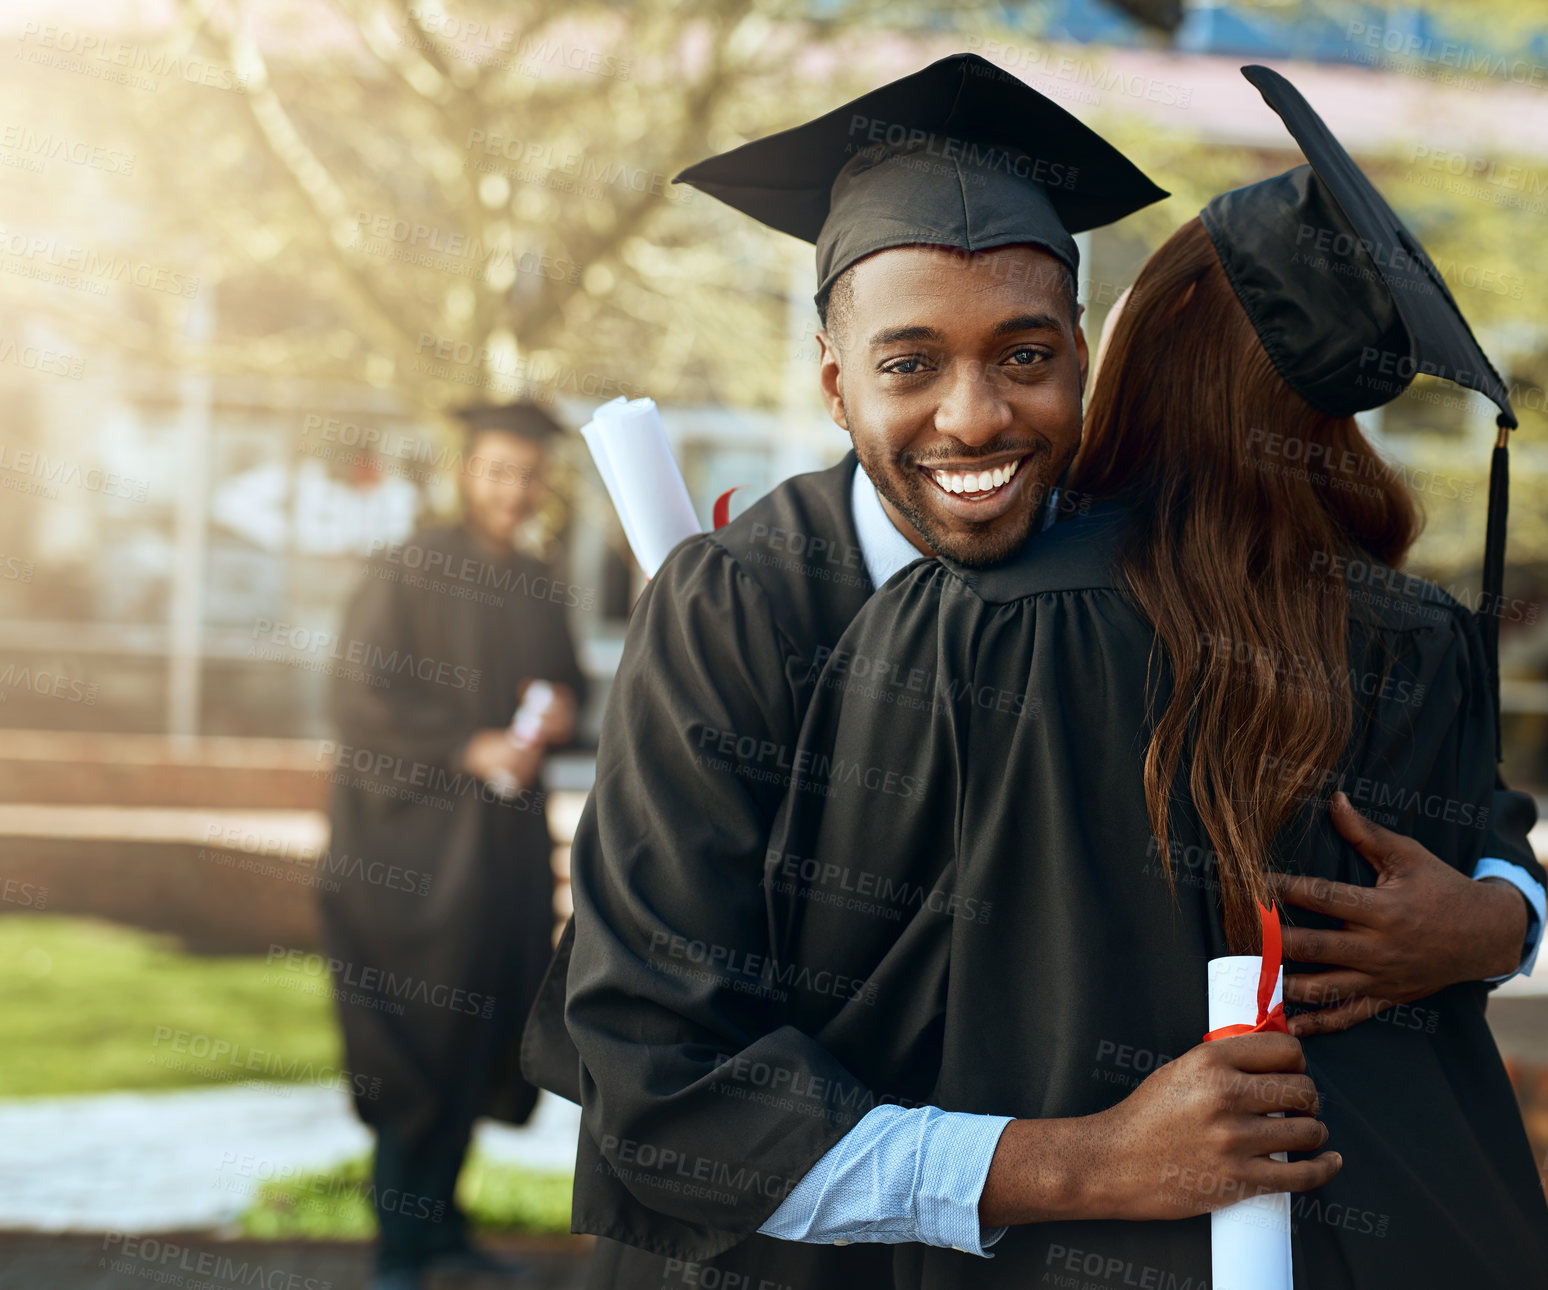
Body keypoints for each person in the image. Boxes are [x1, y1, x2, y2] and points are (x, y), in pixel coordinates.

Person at [521, 56, 1547, 1290]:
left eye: (1024, 356)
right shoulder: (739, 603)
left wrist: (1494, 919)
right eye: (910, 366)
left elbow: (1475, 825)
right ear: (835, 381)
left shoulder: (1157, 574)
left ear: (1083, 355)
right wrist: (1089, 1163)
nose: (976, 420)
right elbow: (661, 1067)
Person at [320, 402, 588, 1290]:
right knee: (419, 1031)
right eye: (498, 471)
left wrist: (557, 708)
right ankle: (399, 1243)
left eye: (527, 474)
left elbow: (565, 684)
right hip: (417, 853)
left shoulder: (538, 577)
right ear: (466, 471)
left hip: (502, 851)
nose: (514, 490)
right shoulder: (408, 567)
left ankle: (442, 1226)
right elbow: (360, 701)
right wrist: (462, 746)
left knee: (481, 1022)